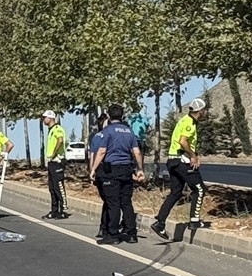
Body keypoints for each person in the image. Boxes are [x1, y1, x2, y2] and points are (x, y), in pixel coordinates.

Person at [151, 98, 208, 240]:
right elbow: (183, 141)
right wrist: (193, 156)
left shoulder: (184, 120)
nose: (205, 112)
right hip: (182, 160)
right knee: (200, 189)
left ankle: (160, 222)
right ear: (200, 111)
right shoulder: (189, 123)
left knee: (175, 193)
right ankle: (194, 220)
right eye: (205, 110)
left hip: (172, 160)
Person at [91, 104, 145, 245]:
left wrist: (93, 169)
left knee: (113, 203)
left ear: (109, 116)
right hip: (126, 169)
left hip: (111, 170)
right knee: (126, 202)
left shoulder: (107, 131)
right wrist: (139, 169)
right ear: (122, 116)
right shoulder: (129, 131)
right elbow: (137, 152)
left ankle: (113, 235)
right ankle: (131, 233)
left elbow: (101, 151)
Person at [41, 109, 69, 219]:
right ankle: (54, 210)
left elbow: (60, 140)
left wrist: (54, 154)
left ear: (51, 118)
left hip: (57, 161)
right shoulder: (50, 130)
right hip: (52, 162)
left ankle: (63, 210)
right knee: (52, 188)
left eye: (45, 117)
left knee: (59, 186)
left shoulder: (57, 128)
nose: (43, 120)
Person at [87, 112, 110, 239]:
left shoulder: (95, 137)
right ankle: (105, 227)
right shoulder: (104, 136)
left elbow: (91, 157)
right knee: (110, 201)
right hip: (106, 170)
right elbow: (95, 155)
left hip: (99, 171)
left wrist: (92, 172)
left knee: (107, 200)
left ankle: (105, 227)